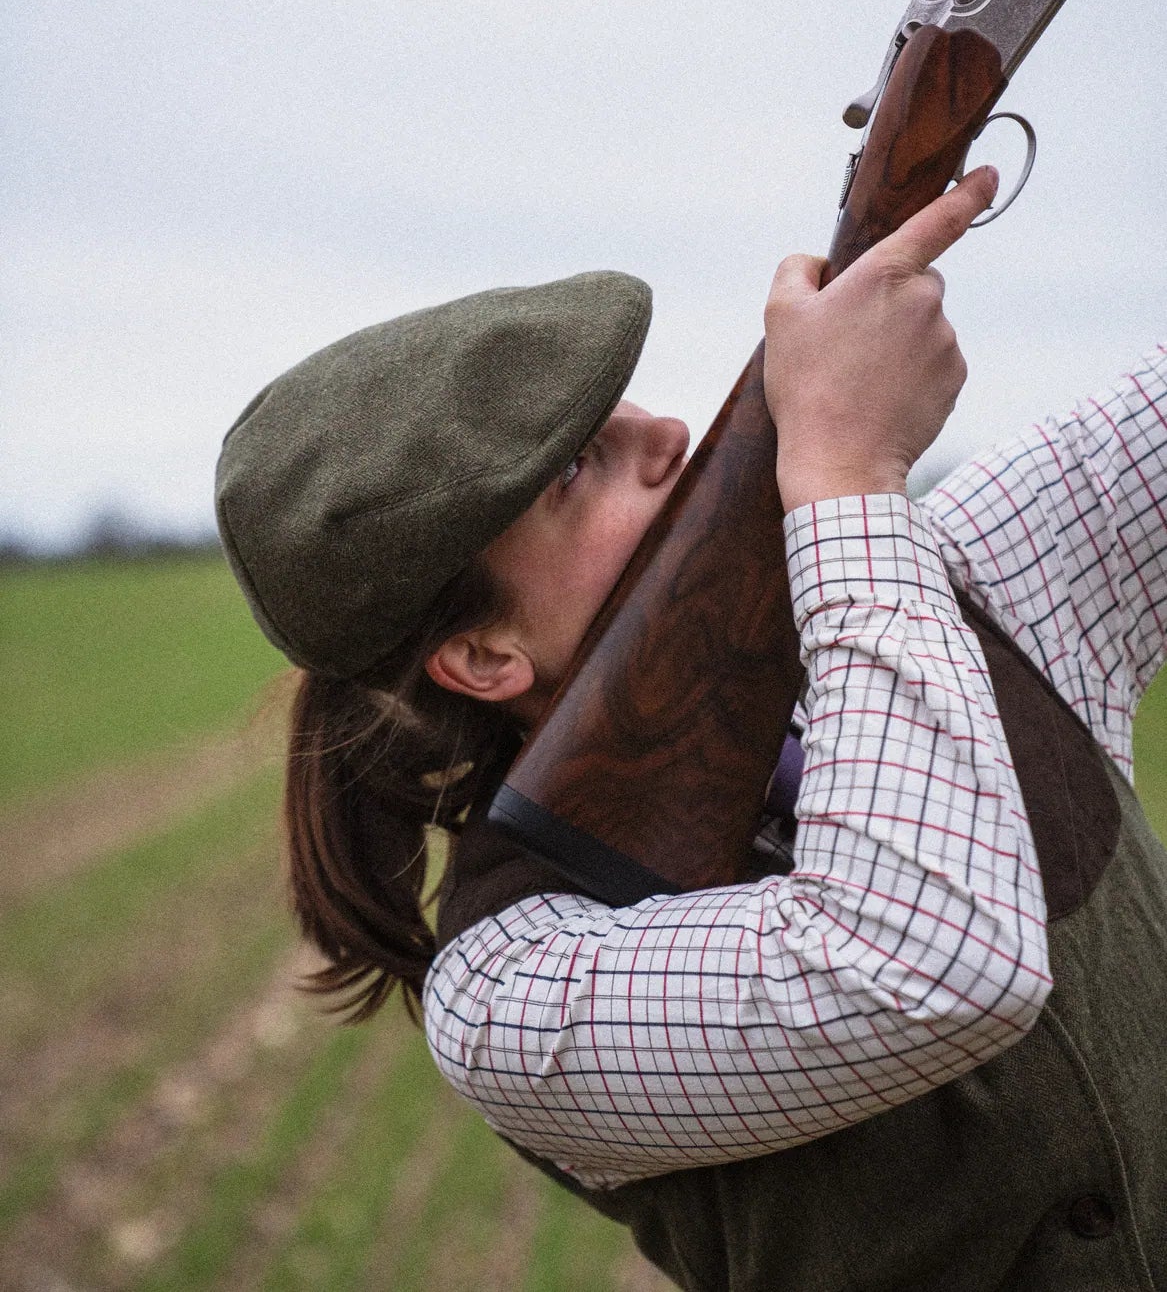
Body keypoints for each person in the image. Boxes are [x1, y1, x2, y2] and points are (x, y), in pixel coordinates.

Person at [215, 166, 1167, 1291]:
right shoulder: (514, 992)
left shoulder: (956, 575)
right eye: (583, 465)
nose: (672, 432)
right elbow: (925, 965)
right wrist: (848, 471)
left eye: (631, 407)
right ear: (482, 657)